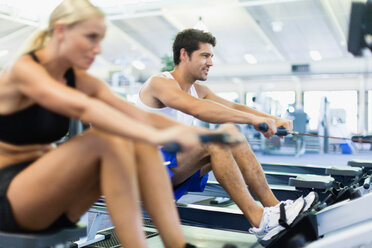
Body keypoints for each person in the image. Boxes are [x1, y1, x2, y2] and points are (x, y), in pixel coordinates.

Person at [0, 2, 232, 248]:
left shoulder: (80, 80)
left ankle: (176, 244)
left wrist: (200, 135)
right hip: (10, 197)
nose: (97, 49)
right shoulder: (24, 70)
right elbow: (84, 108)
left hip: (56, 199)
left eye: (100, 39)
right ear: (61, 31)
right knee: (104, 139)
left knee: (136, 144)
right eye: (90, 37)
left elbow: (135, 114)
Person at [137, 28, 316, 241]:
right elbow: (195, 109)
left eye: (211, 56)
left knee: (230, 132)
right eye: (205, 55)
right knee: (216, 141)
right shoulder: (160, 83)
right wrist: (253, 121)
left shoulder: (198, 90)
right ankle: (260, 221)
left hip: (172, 169)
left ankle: (275, 209)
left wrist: (272, 118)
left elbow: (233, 106)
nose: (211, 62)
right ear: (184, 55)